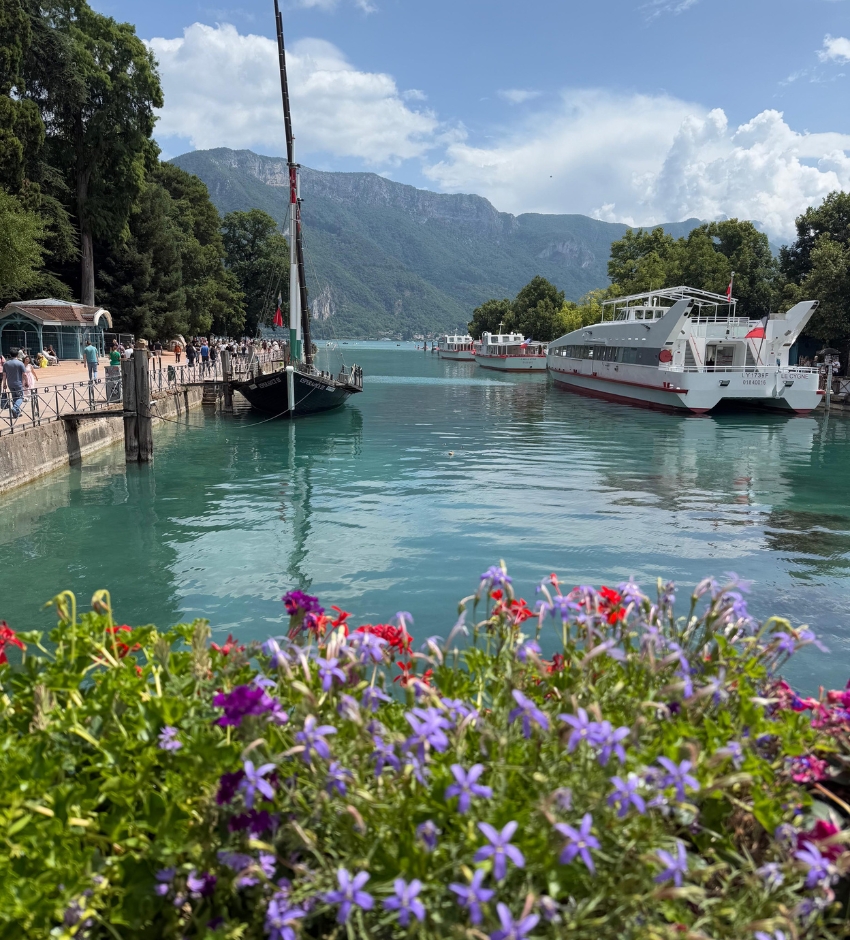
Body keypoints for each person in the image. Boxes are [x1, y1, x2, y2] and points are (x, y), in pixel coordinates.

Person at [3, 351, 26, 419]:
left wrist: (4, 383)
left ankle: (16, 413)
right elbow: (24, 374)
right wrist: (26, 382)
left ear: (10, 355)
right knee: (20, 397)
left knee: (14, 397)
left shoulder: (6, 364)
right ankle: (15, 408)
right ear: (17, 355)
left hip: (10, 383)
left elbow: (4, 375)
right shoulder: (20, 363)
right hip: (18, 383)